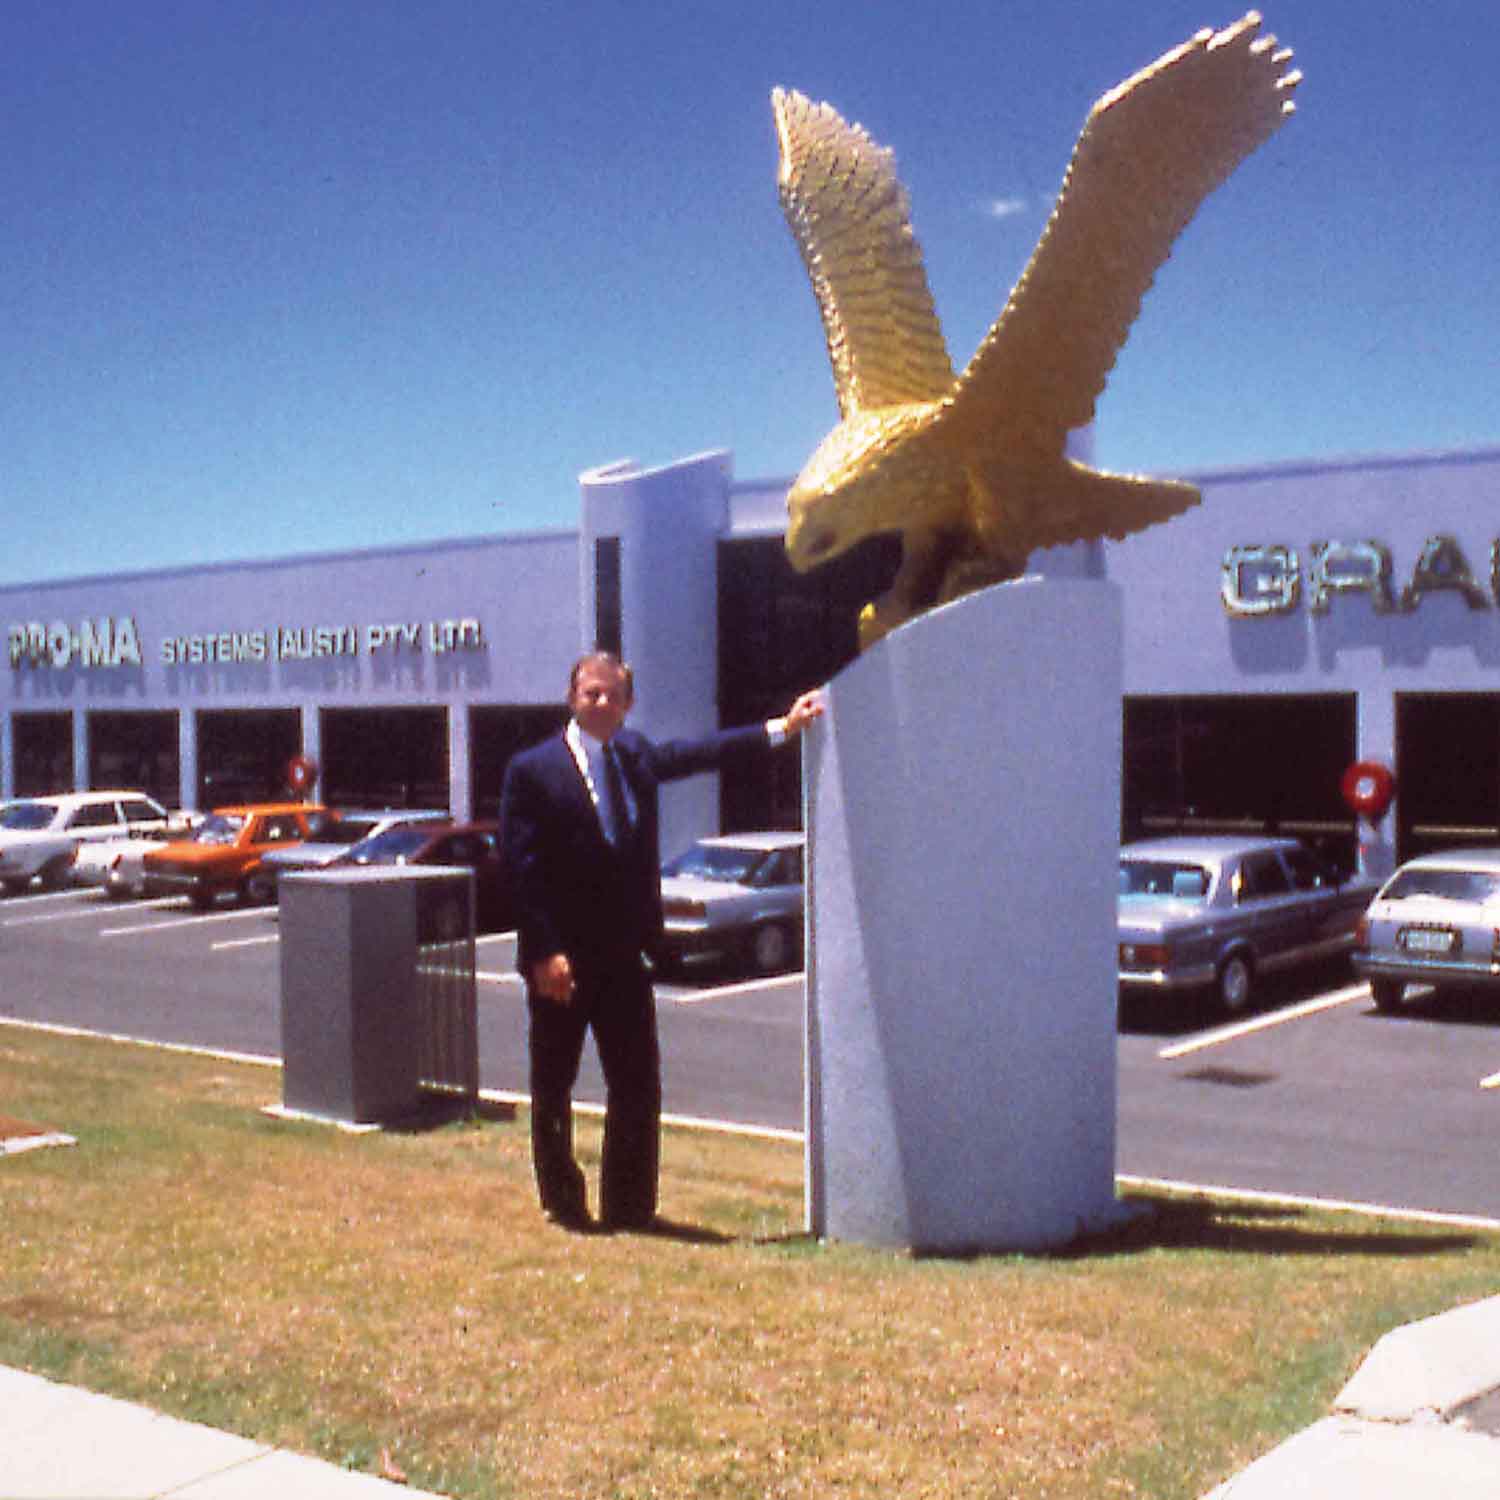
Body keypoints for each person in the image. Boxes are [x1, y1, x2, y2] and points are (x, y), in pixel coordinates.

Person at [500, 651, 823, 1231]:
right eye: (591, 693)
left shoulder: (636, 756)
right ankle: (563, 1200)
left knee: (637, 1083)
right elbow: (521, 871)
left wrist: (783, 727)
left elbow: (701, 752)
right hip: (562, 962)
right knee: (554, 1083)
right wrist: (545, 950)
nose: (602, 703)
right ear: (572, 698)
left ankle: (629, 1206)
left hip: (624, 956)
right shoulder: (533, 768)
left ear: (628, 704)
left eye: (613, 695)